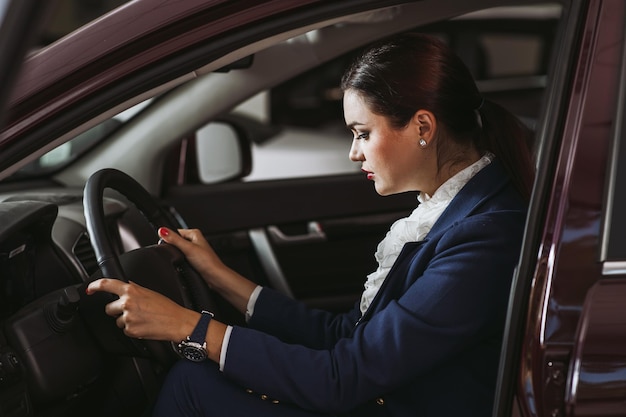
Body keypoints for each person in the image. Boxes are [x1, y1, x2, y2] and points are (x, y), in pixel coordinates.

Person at [86, 32, 534, 417]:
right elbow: (347, 338)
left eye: (362, 133)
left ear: (422, 126)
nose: (354, 153)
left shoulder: (484, 235)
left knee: (191, 385)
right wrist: (218, 276)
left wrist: (193, 329)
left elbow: (343, 377)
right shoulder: (458, 211)